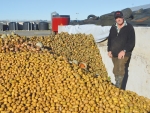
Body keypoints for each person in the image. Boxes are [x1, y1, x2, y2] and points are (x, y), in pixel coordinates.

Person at [107, 11, 135, 89]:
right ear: (115, 19)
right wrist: (109, 50)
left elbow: (131, 41)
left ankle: (118, 87)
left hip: (125, 53)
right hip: (114, 52)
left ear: (123, 18)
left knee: (120, 67)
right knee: (115, 69)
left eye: (120, 17)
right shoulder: (113, 27)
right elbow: (110, 39)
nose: (118, 19)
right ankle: (117, 85)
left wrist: (124, 50)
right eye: (117, 18)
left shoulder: (129, 27)